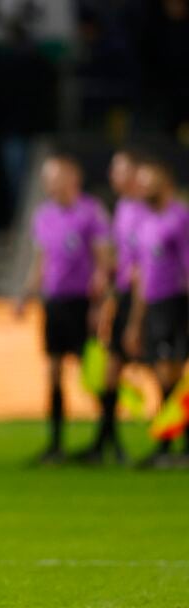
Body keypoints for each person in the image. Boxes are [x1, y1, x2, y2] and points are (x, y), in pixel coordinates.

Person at [15, 153, 110, 465]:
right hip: (54, 302)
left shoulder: (91, 212)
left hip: (82, 302)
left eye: (54, 178)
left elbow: (102, 260)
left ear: (73, 179)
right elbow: (42, 261)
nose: (49, 184)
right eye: (46, 179)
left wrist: (100, 302)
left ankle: (107, 439)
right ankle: (56, 444)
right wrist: (26, 295)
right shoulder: (43, 215)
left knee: (93, 372)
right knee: (54, 371)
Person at [79, 149, 148, 464]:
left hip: (153, 297)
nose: (112, 176)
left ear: (136, 174)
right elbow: (120, 256)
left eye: (118, 170)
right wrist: (105, 283)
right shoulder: (121, 208)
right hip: (123, 296)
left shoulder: (154, 210)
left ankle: (173, 445)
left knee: (166, 370)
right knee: (111, 369)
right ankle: (107, 442)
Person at [124, 159, 189, 469]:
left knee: (172, 374)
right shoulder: (145, 223)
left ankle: (170, 444)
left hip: (176, 303)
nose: (144, 187)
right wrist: (136, 321)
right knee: (164, 375)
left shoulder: (180, 218)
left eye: (150, 181)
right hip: (153, 306)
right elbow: (141, 276)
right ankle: (170, 444)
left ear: (166, 184)